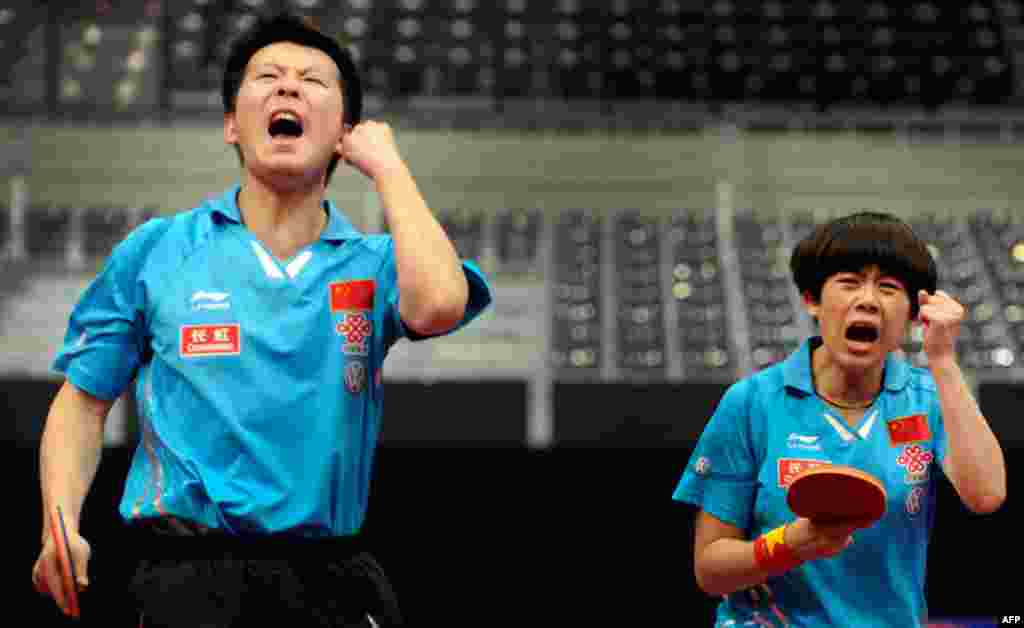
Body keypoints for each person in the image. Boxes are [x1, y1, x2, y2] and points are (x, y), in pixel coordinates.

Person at [31, 12, 492, 627]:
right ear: (231, 124)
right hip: (189, 579)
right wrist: (60, 524)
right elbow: (83, 402)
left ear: (344, 133)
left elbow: (438, 305)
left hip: (331, 577)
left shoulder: (378, 263)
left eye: (312, 80)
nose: (288, 87)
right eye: (267, 76)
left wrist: (388, 167)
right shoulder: (158, 251)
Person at [672, 211, 1006, 627]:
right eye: (848, 282)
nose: (867, 299)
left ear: (912, 312)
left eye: (888, 287)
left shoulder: (930, 399)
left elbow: (987, 494)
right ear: (812, 300)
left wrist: (942, 361)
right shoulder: (751, 403)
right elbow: (709, 569)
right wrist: (792, 544)